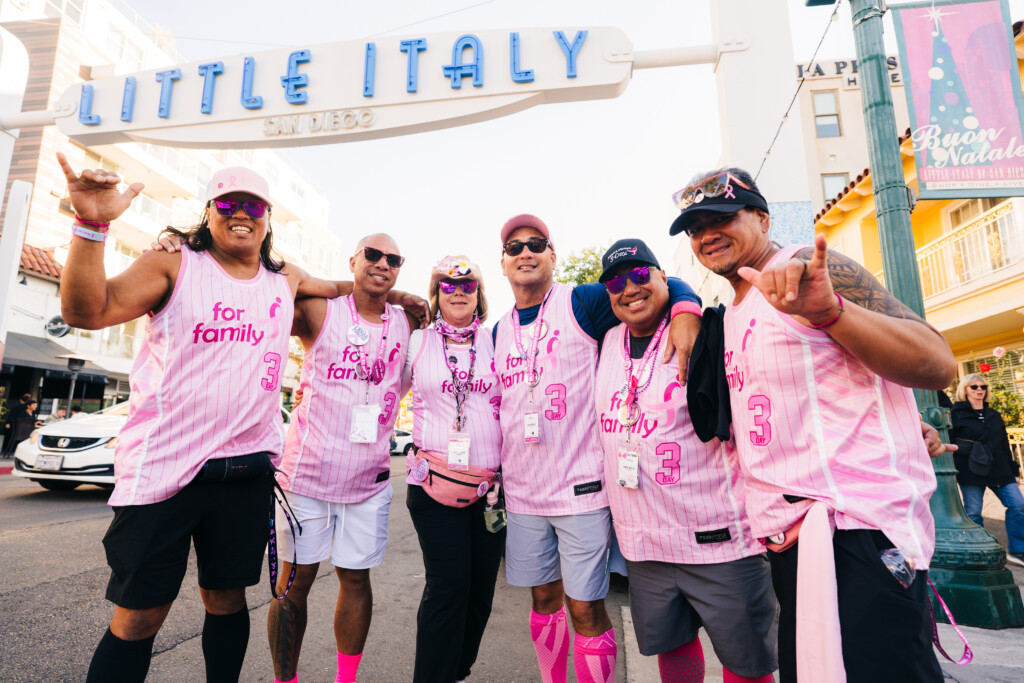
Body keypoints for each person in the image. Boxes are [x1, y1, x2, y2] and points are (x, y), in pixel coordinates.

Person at [56, 153, 425, 683]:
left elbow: (342, 288)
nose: (241, 213)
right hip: (163, 472)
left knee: (227, 601)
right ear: (208, 211)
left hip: (243, 474)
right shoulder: (174, 264)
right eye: (228, 203)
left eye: (254, 205)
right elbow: (87, 311)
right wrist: (92, 226)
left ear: (268, 217)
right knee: (139, 617)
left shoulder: (285, 278)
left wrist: (398, 296)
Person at [675, 167, 957, 682]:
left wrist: (831, 312)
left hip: (855, 532)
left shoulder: (804, 267)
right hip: (792, 542)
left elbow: (939, 363)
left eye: (722, 218)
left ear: (762, 218)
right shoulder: (736, 306)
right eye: (695, 228)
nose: (707, 233)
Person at [493, 214, 702, 683]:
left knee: (584, 605)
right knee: (543, 601)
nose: (525, 252)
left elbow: (662, 284)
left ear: (552, 254)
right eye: (514, 247)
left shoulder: (581, 301)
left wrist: (687, 312)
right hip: (524, 497)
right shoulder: (498, 330)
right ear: (503, 263)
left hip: (581, 492)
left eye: (536, 244)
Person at [595, 239, 777, 683]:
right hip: (644, 545)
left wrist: (684, 306)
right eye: (617, 281)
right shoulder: (607, 339)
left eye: (641, 275)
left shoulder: (707, 333)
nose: (629, 288)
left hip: (718, 541)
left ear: (663, 277)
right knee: (672, 648)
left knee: (746, 661)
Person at [270, 234, 415, 683]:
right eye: (372, 255)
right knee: (293, 585)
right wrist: (346, 286)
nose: (382, 263)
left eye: (393, 259)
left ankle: (346, 680)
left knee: (356, 581)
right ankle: (285, 680)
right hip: (306, 477)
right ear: (353, 260)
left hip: (367, 482)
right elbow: (276, 287)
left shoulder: (410, 323)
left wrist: (401, 299)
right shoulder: (322, 309)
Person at [402, 255, 505, 683]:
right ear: (436, 295)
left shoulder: (499, 338)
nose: (458, 291)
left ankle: (457, 671)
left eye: (467, 285)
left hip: (492, 494)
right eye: (448, 285)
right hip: (433, 487)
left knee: (480, 593)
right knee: (449, 587)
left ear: (479, 295)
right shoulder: (416, 342)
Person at [950, 374, 1024, 567]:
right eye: (974, 386)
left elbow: (1004, 445)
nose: (979, 390)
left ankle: (1018, 550)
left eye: (983, 386)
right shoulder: (956, 414)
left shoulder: (994, 415)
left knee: (1018, 505)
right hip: (970, 470)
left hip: (1000, 470)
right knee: (973, 512)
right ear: (965, 389)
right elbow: (950, 442)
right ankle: (982, 549)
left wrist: (1014, 470)